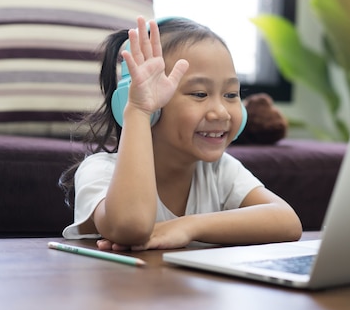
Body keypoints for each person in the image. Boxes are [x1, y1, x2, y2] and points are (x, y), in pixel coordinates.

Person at [59, 16, 302, 251]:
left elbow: (288, 221)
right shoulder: (100, 170)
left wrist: (188, 226)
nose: (221, 112)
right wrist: (138, 111)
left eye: (231, 95)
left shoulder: (220, 171)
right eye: (199, 94)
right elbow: (130, 227)